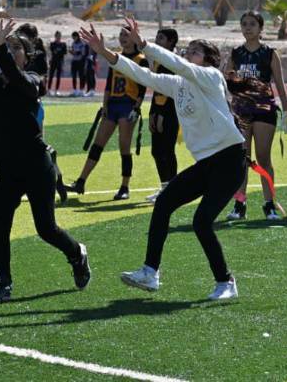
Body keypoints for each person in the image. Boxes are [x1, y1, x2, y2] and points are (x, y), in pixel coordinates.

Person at [81, 17, 245, 300]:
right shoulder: (178, 84)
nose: (187, 53)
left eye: (194, 50)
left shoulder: (212, 77)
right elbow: (142, 74)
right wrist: (104, 52)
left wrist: (144, 44)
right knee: (164, 203)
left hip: (230, 160)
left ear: (210, 60)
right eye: (188, 48)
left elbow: (180, 65)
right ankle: (150, 272)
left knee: (201, 222)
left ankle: (225, 282)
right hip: (206, 163)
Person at [0, 19, 89, 303]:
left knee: (46, 228)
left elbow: (15, 76)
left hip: (36, 165)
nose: (9, 49)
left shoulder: (33, 80)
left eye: (15, 47)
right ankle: (3, 283)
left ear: (27, 55)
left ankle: (76, 253)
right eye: (6, 45)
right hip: (6, 168)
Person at [65, 27, 148, 200]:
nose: (123, 38)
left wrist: (136, 108)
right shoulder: (115, 56)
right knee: (98, 144)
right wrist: (104, 105)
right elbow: (109, 83)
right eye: (121, 35)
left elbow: (142, 87)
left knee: (124, 147)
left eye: (126, 35)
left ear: (134, 37)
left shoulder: (141, 59)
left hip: (128, 105)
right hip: (113, 105)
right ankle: (80, 181)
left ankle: (125, 187)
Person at [225, 11, 287, 221]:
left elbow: (280, 84)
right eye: (244, 24)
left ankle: (269, 204)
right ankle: (239, 204)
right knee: (241, 159)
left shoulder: (270, 53)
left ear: (261, 28)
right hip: (241, 111)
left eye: (252, 24)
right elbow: (226, 82)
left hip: (264, 111)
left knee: (263, 158)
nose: (248, 28)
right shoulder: (235, 54)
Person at [146, 28, 180, 203]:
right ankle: (165, 188)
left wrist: (161, 114)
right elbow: (157, 90)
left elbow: (172, 92)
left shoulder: (173, 62)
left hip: (170, 112)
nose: (157, 40)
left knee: (167, 150)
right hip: (158, 110)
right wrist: (152, 112)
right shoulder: (160, 61)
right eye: (157, 36)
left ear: (171, 41)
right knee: (156, 151)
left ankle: (172, 190)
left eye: (161, 38)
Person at [69, 31, 87, 96]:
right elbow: (73, 50)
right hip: (74, 61)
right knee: (74, 76)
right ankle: (74, 90)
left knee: (81, 76)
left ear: (77, 36)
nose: (73, 38)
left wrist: (75, 52)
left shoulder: (82, 43)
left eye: (74, 37)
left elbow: (82, 53)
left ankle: (81, 90)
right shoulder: (73, 43)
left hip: (80, 61)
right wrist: (71, 52)